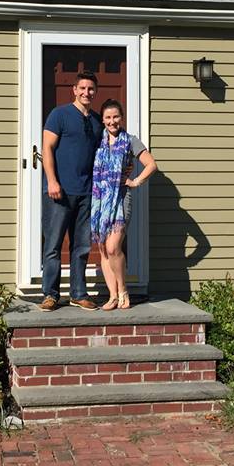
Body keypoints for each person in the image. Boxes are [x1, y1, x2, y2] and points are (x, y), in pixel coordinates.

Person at [40, 71, 103, 312]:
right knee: (53, 245)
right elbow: (47, 147)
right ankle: (51, 294)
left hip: (87, 193)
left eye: (91, 89)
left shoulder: (97, 121)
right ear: (74, 90)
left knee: (81, 247)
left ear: (95, 92)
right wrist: (52, 181)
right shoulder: (59, 115)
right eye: (82, 88)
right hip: (59, 191)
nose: (87, 92)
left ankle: (78, 293)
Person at [91, 98, 158, 310]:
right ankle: (112, 296)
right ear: (103, 120)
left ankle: (123, 290)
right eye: (108, 117)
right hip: (100, 200)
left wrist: (135, 181)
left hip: (121, 198)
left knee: (113, 247)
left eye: (116, 117)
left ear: (122, 118)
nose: (112, 121)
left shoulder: (130, 141)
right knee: (103, 248)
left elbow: (151, 165)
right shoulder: (97, 141)